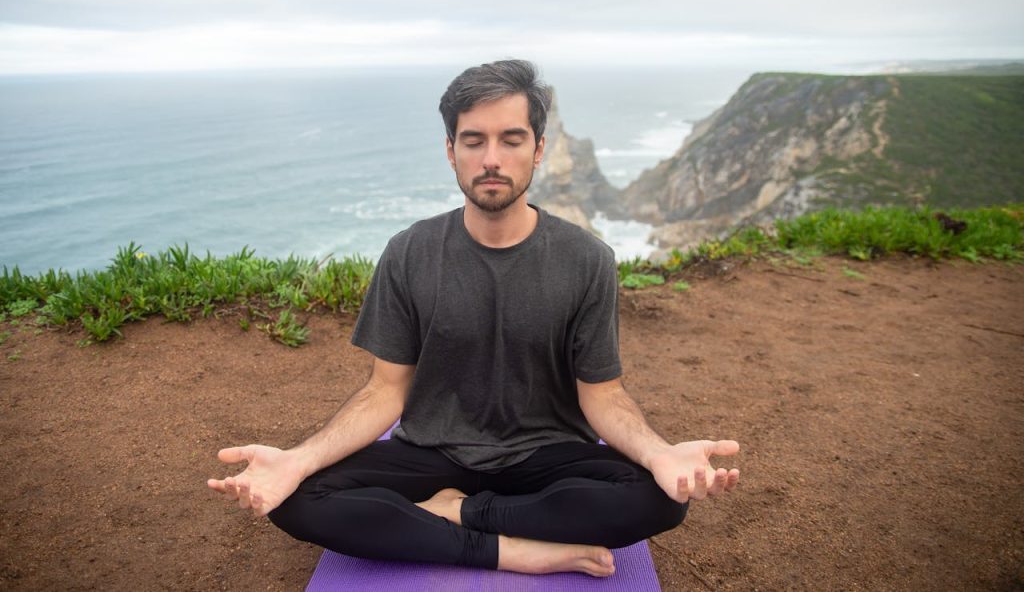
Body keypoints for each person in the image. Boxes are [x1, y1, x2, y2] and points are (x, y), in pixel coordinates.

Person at [207, 59, 740, 577]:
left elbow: (602, 395)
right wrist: (297, 460)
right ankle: (513, 550)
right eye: (473, 140)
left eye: (511, 140)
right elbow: (384, 392)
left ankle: (455, 517)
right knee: (295, 498)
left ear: (538, 150)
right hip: (432, 453)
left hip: (545, 457)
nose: (492, 158)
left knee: (662, 501)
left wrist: (661, 453)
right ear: (450, 150)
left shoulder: (587, 259)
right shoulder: (409, 252)